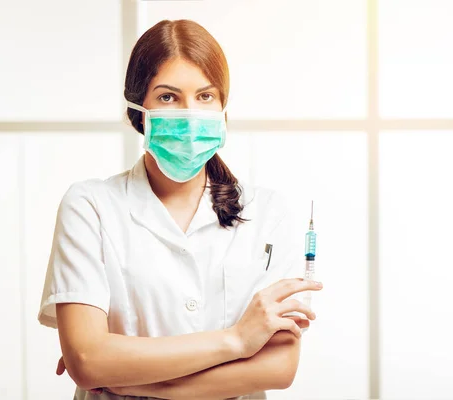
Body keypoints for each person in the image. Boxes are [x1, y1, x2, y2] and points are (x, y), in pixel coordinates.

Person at [37, 19, 323, 400]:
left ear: (223, 106)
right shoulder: (90, 206)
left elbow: (278, 367)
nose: (190, 115)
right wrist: (237, 341)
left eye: (205, 96)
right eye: (168, 97)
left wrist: (128, 378)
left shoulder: (269, 213)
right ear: (138, 111)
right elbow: (89, 360)